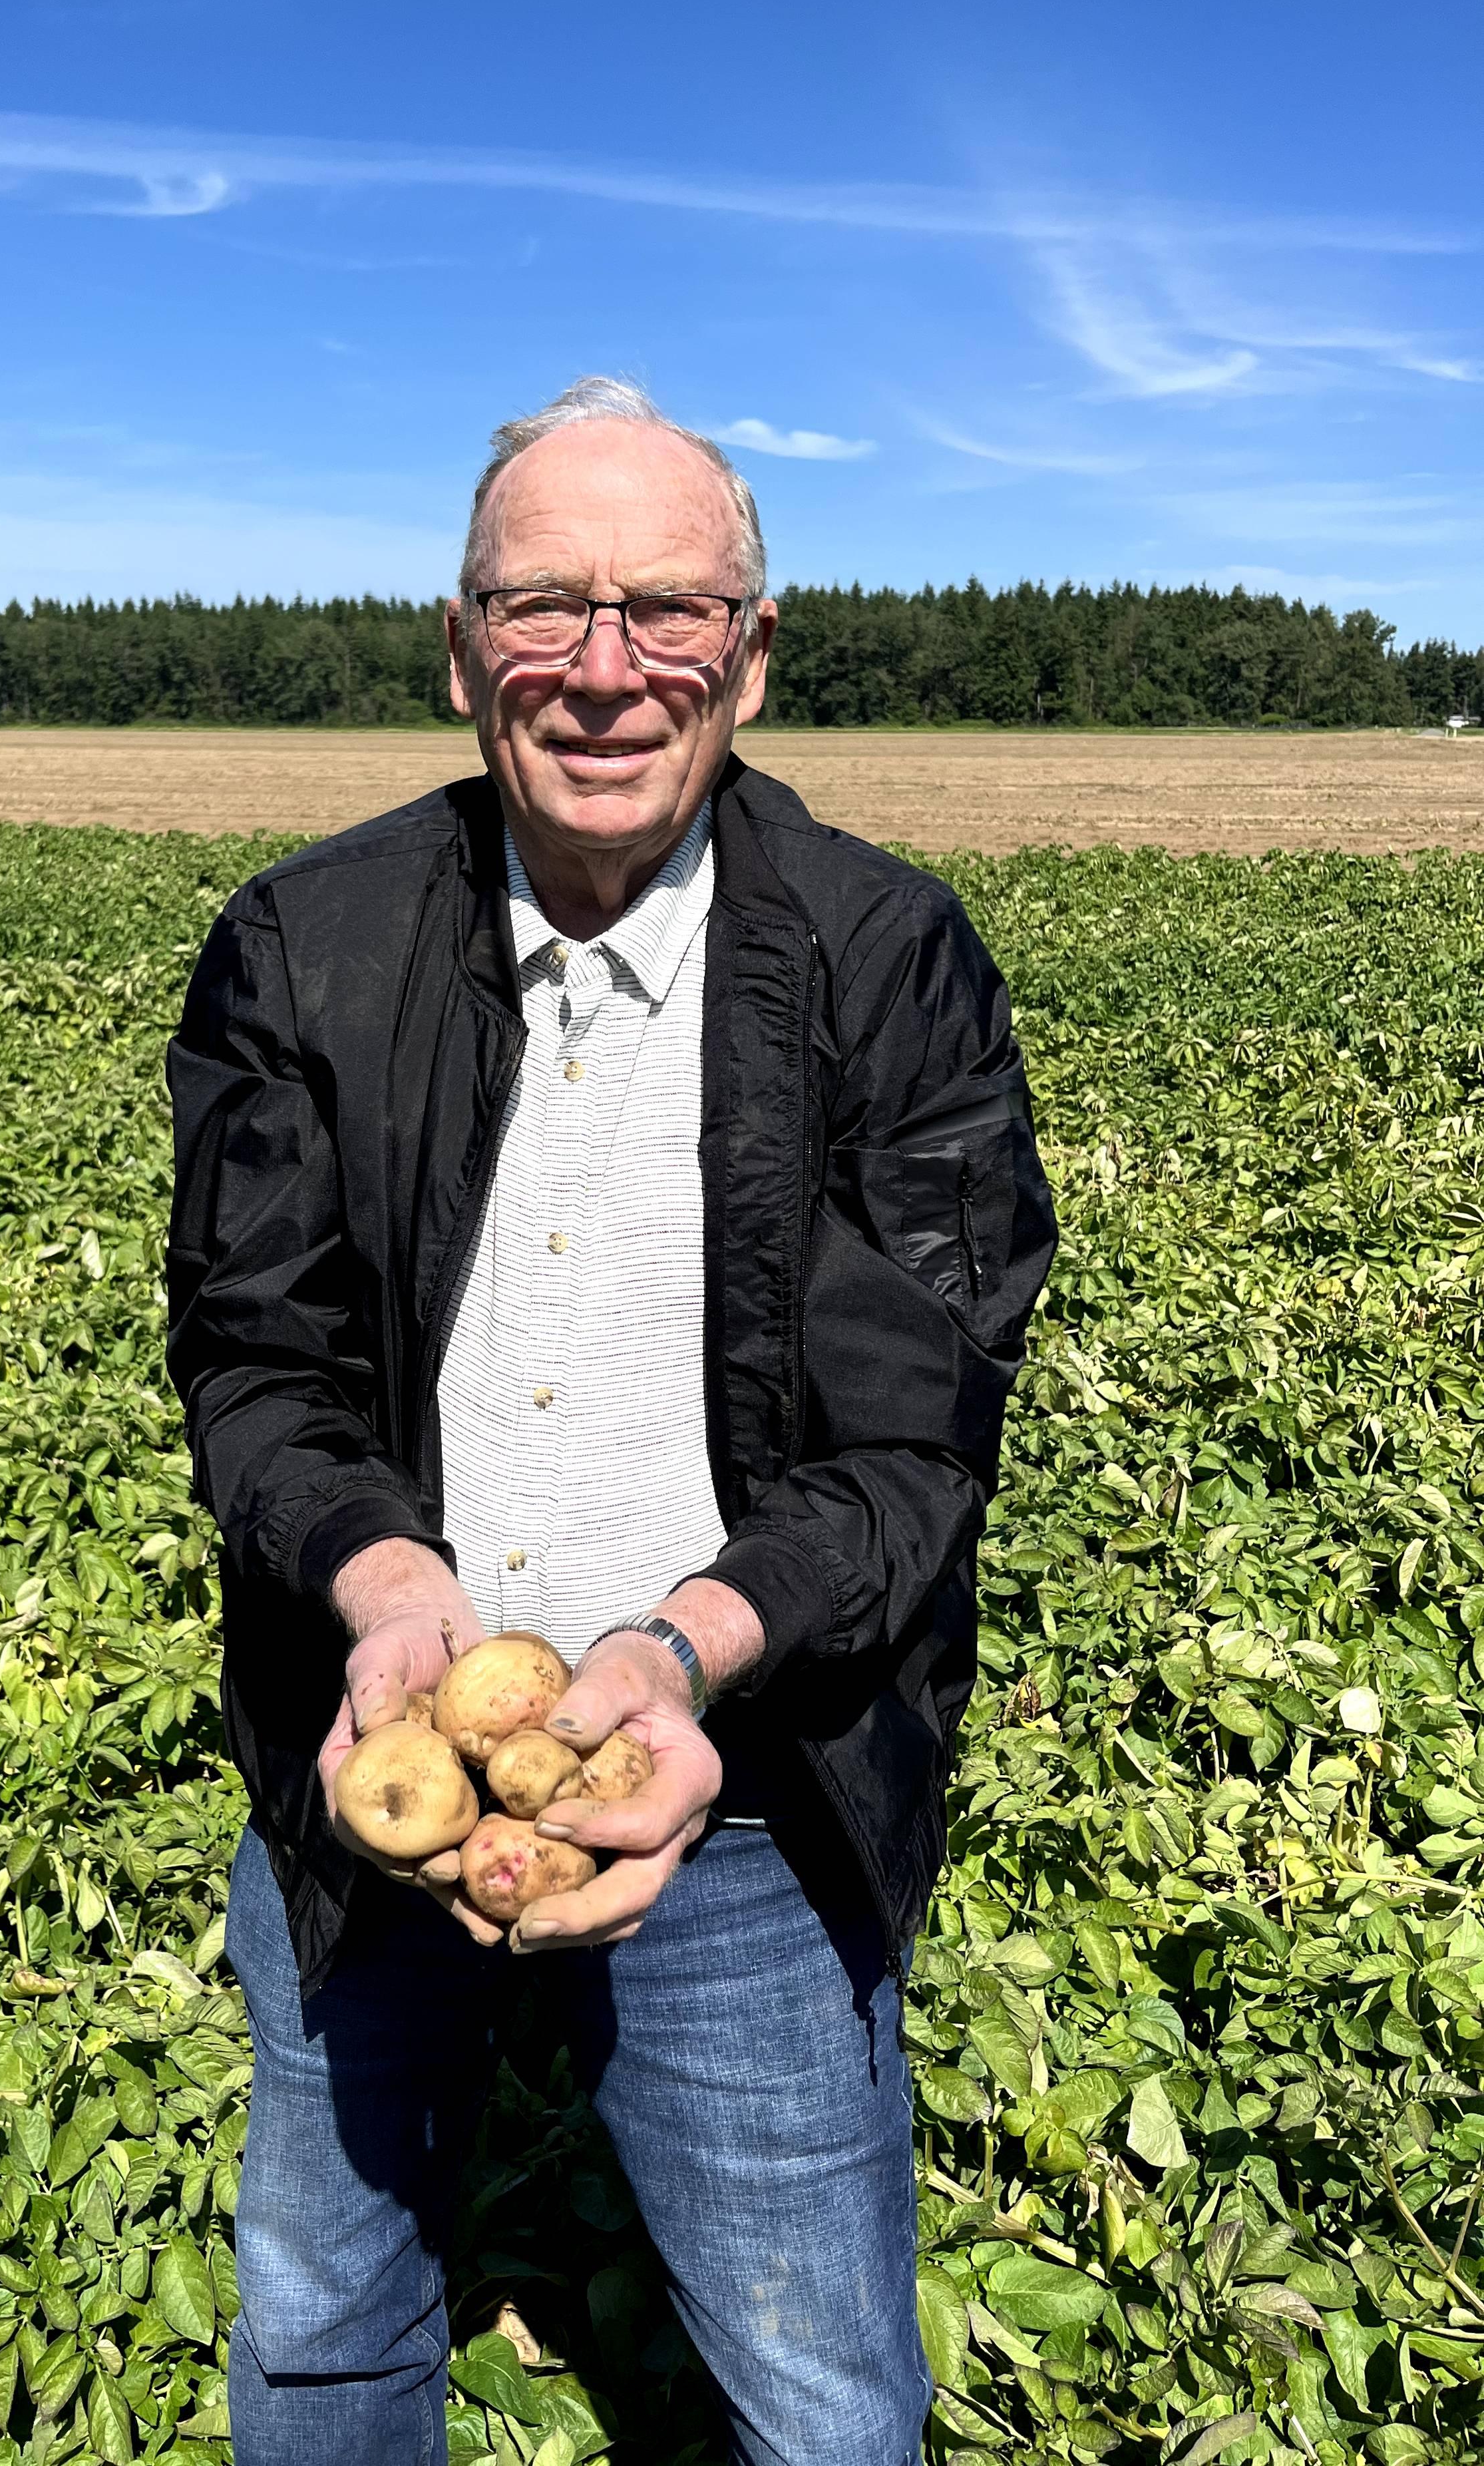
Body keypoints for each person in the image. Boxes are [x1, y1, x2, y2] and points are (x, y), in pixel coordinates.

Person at [166, 375, 1057, 2465]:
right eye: (540, 605)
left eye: (665, 607)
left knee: (820, 2395)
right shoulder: (305, 943)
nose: (601, 667)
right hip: (374, 1747)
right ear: (455, 641)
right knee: (317, 2330)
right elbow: (255, 1354)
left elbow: (913, 1436)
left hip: (741, 1783)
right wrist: (386, 1594)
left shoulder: (888, 960)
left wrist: (679, 1651)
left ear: (754, 648)